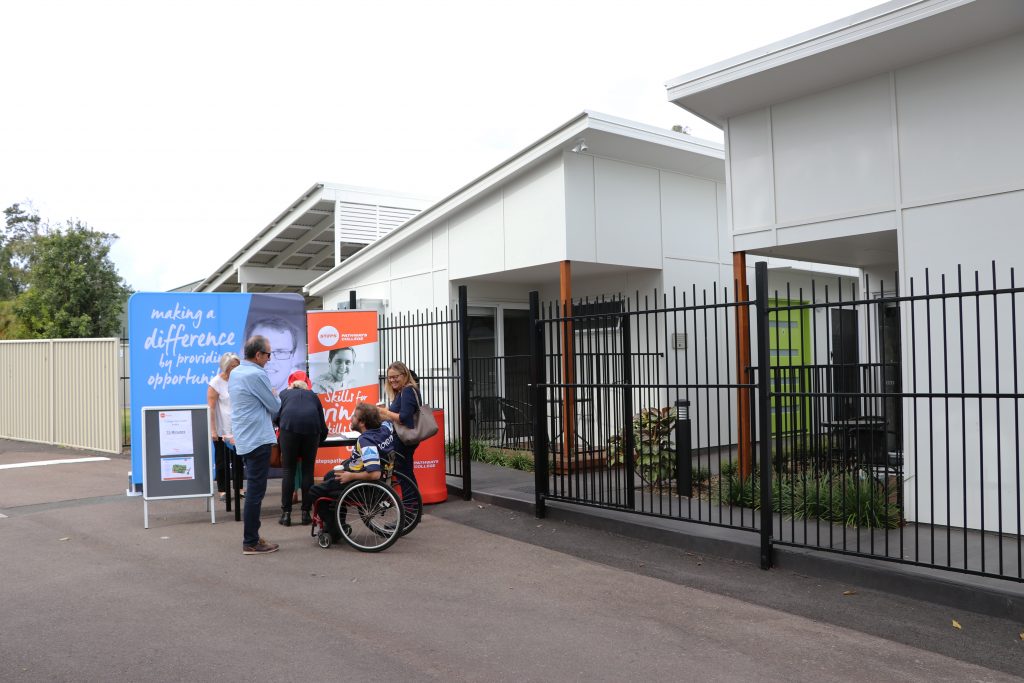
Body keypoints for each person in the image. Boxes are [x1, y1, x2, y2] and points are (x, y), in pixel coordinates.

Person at [307, 402, 396, 539]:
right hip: (382, 480)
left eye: (354, 416)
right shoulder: (385, 429)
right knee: (329, 476)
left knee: (314, 491)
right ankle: (339, 519)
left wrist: (351, 476)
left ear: (362, 422)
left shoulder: (366, 442)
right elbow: (388, 420)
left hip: (363, 487)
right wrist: (377, 410)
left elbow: (374, 473)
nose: (351, 417)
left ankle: (334, 529)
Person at [229, 335, 283, 555]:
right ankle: (250, 541)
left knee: (253, 489)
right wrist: (274, 396)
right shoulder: (256, 374)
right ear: (258, 354)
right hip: (258, 437)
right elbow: (274, 406)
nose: (270, 359)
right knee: (255, 492)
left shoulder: (237, 372)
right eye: (268, 354)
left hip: (244, 437)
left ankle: (252, 537)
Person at [276, 370, 327, 527]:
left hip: (288, 430)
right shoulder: (313, 396)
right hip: (311, 432)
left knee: (288, 471)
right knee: (307, 471)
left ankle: (286, 515)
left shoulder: (283, 394)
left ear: (291, 383)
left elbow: (275, 418)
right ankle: (306, 514)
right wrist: (320, 439)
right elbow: (322, 425)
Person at [376, 361, 420, 510]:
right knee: (406, 473)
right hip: (403, 439)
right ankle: (413, 510)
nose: (392, 380)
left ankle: (409, 511)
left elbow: (404, 417)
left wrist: (385, 412)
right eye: (389, 377)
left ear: (404, 375)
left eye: (395, 377)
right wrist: (383, 412)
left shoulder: (407, 391)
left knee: (404, 475)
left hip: (403, 440)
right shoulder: (402, 392)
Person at [207, 352, 240, 500]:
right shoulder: (216, 383)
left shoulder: (240, 380)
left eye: (237, 366)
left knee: (239, 459)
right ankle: (222, 490)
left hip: (238, 427)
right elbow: (211, 408)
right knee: (221, 460)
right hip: (222, 428)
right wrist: (213, 430)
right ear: (225, 367)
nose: (235, 369)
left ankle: (239, 488)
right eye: (233, 366)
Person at [244, 316, 303, 395]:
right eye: (261, 352)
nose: (270, 360)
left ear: (294, 358)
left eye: (280, 352)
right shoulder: (233, 394)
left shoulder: (302, 401)